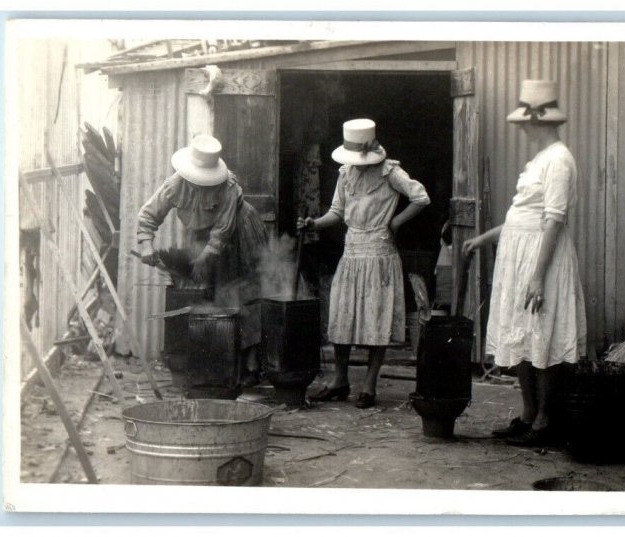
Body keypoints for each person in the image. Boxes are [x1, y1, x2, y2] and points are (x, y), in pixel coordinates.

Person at [463, 80, 587, 446]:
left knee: (542, 335)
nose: (521, 128)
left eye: (524, 122)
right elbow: (521, 217)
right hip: (519, 255)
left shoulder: (560, 160)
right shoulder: (539, 159)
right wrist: (483, 239)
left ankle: (546, 419)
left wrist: (537, 276)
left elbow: (553, 219)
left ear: (541, 121)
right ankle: (528, 412)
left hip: (540, 259)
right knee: (522, 334)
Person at [297, 119, 430, 409]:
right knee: (343, 317)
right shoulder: (346, 174)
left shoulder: (390, 173)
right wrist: (314, 224)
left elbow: (421, 197)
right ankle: (339, 380)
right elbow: (336, 211)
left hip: (380, 254)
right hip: (352, 252)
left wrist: (396, 221)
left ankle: (369, 385)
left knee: (375, 318)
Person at [137, 134, 268, 376]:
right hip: (201, 235)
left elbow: (222, 233)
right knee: (204, 293)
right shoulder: (175, 185)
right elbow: (148, 215)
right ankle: (214, 355)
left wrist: (205, 257)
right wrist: (146, 244)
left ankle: (248, 360)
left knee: (242, 290)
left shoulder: (228, 188)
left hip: (237, 233)